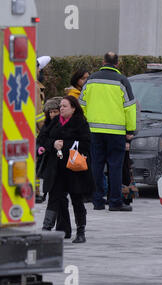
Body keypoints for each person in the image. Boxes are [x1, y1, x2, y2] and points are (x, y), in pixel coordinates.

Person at [79, 52, 137, 211]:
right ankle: (115, 202)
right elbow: (130, 108)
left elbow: (81, 104)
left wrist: (84, 125)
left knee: (96, 166)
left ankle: (97, 201)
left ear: (103, 62)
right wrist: (130, 130)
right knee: (115, 167)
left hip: (94, 131)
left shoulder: (91, 80)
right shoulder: (122, 81)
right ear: (117, 64)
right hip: (116, 133)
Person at [39, 96, 95, 243]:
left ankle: (81, 231)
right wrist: (53, 144)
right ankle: (46, 229)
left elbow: (86, 144)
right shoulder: (55, 121)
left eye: (64, 106)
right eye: (60, 106)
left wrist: (64, 144)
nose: (61, 109)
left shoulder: (81, 122)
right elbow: (42, 138)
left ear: (73, 108)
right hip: (56, 168)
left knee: (77, 199)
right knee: (54, 198)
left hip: (73, 168)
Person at [35, 56, 51, 204]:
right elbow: (38, 114)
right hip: (34, 134)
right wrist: (46, 131)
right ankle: (35, 192)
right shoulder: (34, 87)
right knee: (36, 163)